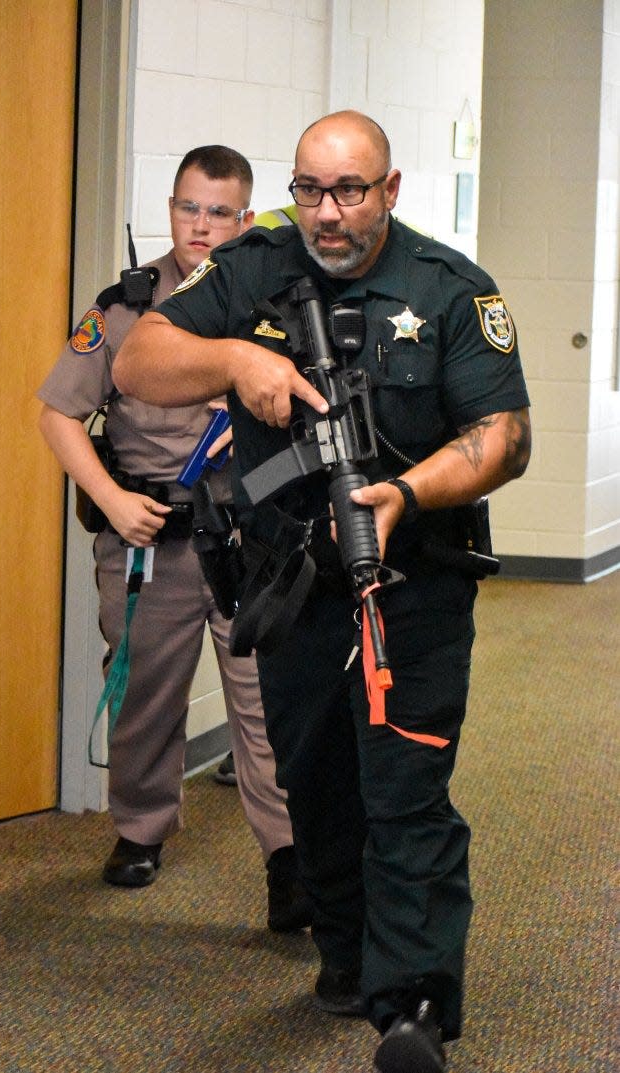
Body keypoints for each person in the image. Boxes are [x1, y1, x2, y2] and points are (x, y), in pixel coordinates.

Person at [112, 112, 532, 1073]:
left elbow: (503, 437)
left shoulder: (451, 291)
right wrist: (233, 359)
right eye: (308, 189)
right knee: (316, 782)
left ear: (390, 189)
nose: (327, 212)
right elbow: (137, 363)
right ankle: (346, 959)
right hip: (290, 583)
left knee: (405, 788)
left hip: (410, 585)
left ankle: (413, 1001)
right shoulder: (256, 269)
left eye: (349, 191)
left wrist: (406, 494)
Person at [37, 144, 311, 934]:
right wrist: (110, 498)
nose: (200, 225)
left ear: (246, 219)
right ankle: (140, 827)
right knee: (146, 693)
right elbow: (58, 412)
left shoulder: (277, 310)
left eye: (219, 211)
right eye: (188, 207)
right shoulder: (124, 308)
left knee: (264, 701)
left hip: (251, 537)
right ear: (169, 209)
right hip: (149, 537)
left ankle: (286, 857)